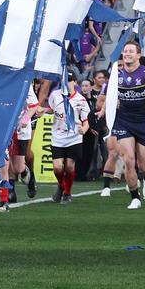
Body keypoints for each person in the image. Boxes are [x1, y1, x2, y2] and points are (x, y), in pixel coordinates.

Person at [97, 42, 145, 209]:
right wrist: (103, 110)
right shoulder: (116, 76)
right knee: (129, 159)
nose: (127, 54)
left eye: (131, 51)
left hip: (144, 124)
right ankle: (135, 197)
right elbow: (109, 97)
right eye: (125, 51)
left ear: (138, 55)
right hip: (123, 122)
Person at [47, 73, 91, 203]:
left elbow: (86, 119)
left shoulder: (81, 100)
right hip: (58, 136)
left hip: (74, 137)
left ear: (75, 82)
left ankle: (67, 193)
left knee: (69, 167)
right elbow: (51, 109)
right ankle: (61, 186)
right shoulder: (55, 95)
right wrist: (42, 110)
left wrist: (84, 129)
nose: (68, 83)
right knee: (58, 167)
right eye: (65, 80)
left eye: (70, 80)